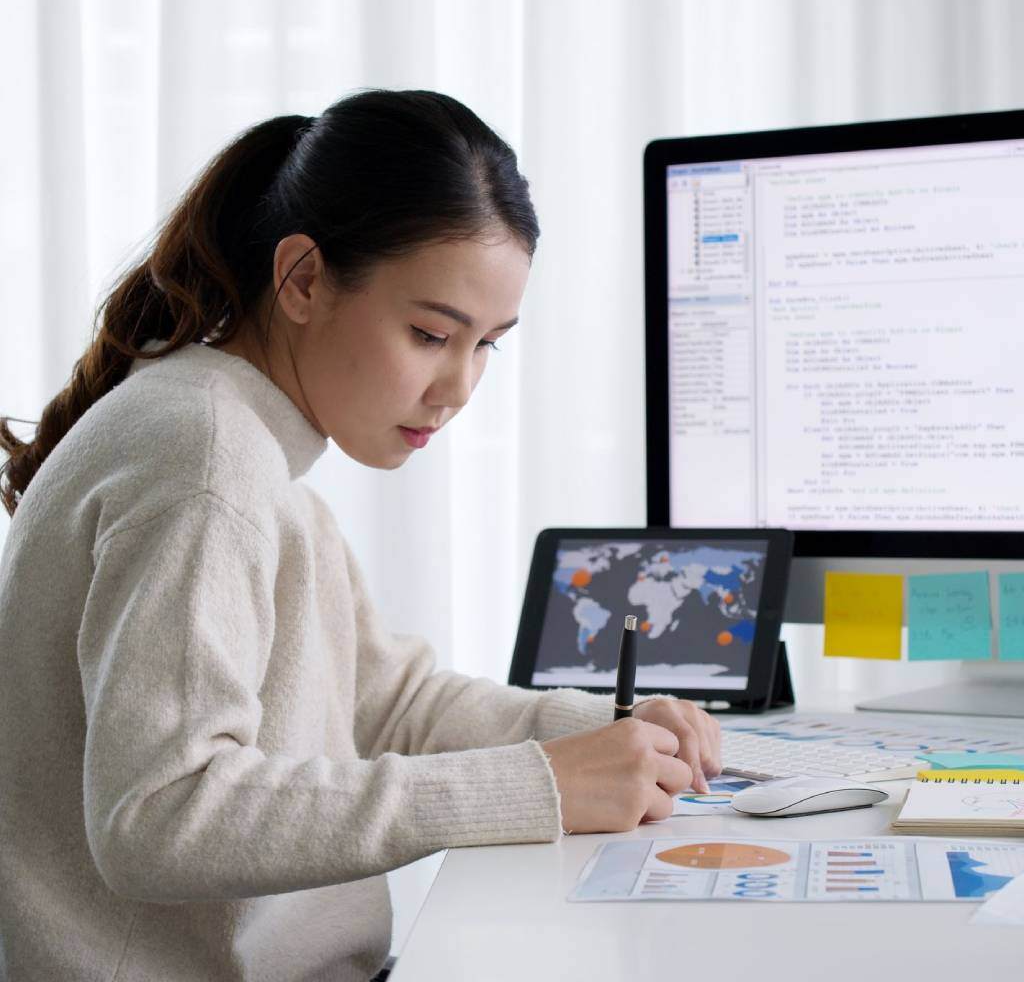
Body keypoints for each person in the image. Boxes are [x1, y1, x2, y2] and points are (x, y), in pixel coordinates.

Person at [0, 88, 721, 982]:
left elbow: (389, 704)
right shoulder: (207, 460)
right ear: (302, 279)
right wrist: (538, 786)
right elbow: (162, 813)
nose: (459, 387)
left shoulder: (238, 442)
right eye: (430, 334)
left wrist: (607, 735)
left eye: (489, 344)